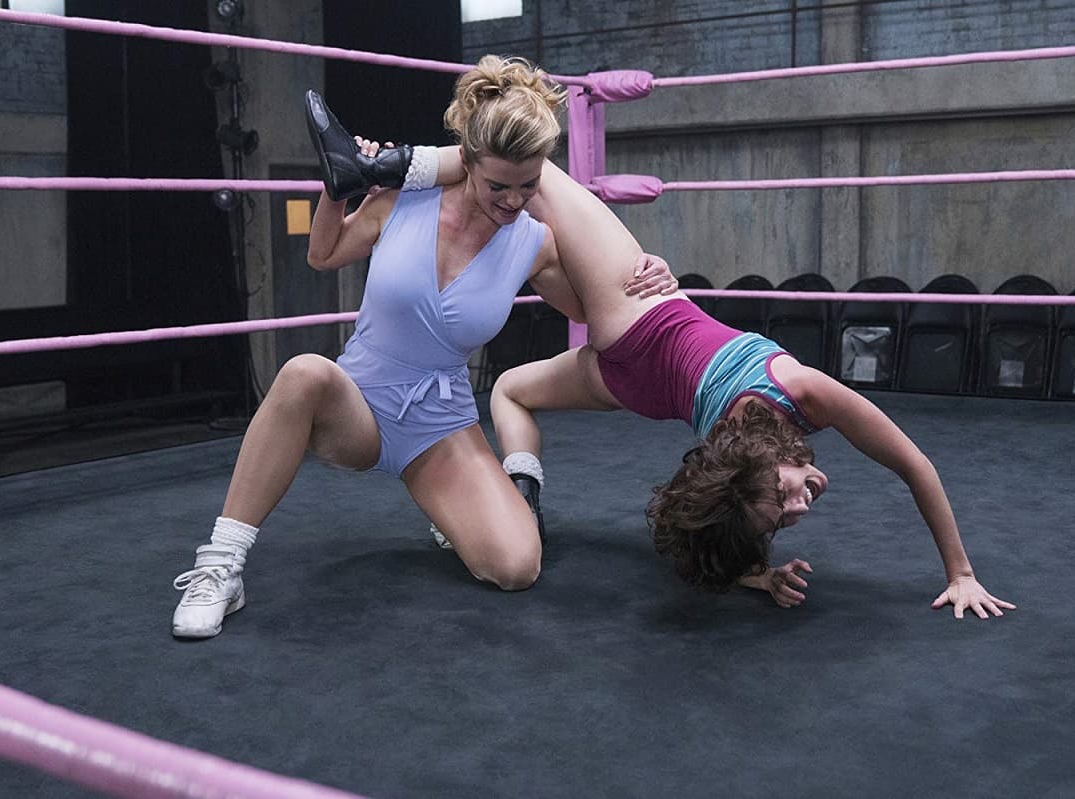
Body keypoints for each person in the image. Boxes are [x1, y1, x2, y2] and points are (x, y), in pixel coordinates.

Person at [336, 130, 1015, 622]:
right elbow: (913, 465)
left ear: (751, 466)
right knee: (511, 375)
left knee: (538, 174)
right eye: (787, 506)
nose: (802, 507)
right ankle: (522, 494)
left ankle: (384, 164)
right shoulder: (789, 407)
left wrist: (753, 570)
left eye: (781, 508)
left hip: (638, 317)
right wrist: (957, 572)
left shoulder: (781, 419)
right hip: (639, 383)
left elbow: (732, 506)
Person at [170, 55, 676, 639]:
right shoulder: (401, 200)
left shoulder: (534, 242)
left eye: (528, 185)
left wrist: (644, 270)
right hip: (359, 404)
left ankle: (452, 509)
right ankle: (222, 564)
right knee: (304, 372)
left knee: (516, 567)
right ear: (467, 162)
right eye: (498, 186)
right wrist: (340, 186)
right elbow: (322, 254)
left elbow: (593, 309)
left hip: (440, 421)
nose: (513, 201)